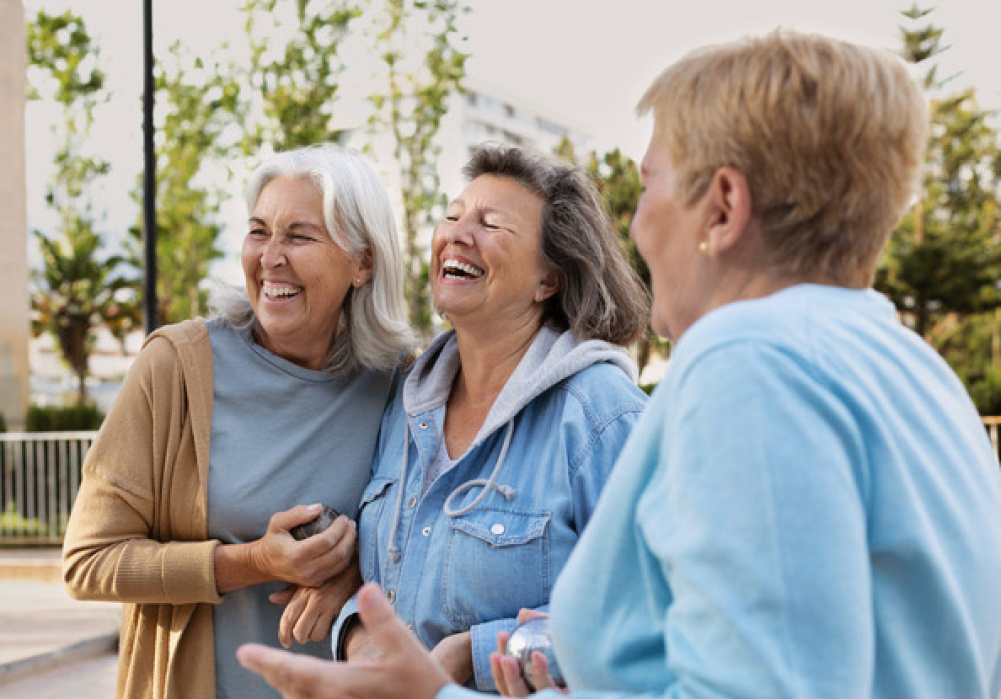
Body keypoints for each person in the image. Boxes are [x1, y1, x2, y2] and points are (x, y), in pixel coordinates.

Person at [237, 30, 1001, 699]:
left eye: (648, 184)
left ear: (721, 208)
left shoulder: (750, 364)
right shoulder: (913, 369)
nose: (633, 226)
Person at [62, 143, 415, 699]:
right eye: (259, 231)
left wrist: (354, 575)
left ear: (363, 263)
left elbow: (428, 547)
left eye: (299, 236)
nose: (271, 257)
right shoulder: (176, 366)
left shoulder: (402, 383)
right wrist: (253, 561)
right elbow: (88, 562)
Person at [310, 143, 650, 692]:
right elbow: (381, 578)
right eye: (452, 216)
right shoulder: (403, 404)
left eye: (490, 224)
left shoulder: (604, 418)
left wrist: (475, 654)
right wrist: (357, 631)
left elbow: (652, 612)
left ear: (548, 279)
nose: (458, 234)